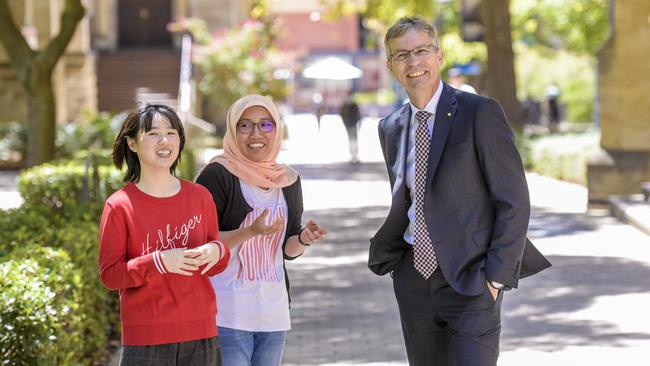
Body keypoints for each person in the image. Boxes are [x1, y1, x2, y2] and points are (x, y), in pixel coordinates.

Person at [368, 17, 551, 366]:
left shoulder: (478, 112)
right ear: (391, 66)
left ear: (438, 56)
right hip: (413, 280)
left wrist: (496, 278)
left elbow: (513, 201)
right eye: (402, 55)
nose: (413, 62)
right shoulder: (389, 128)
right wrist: (399, 270)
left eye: (421, 51)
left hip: (472, 279)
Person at [196, 94, 327, 366]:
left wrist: (303, 238)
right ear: (233, 130)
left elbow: (288, 250)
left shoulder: (288, 180)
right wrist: (250, 232)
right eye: (245, 125)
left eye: (266, 125)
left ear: (276, 129)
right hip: (227, 310)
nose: (256, 133)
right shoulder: (218, 175)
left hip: (274, 310)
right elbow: (201, 242)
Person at [98, 104, 231, 365]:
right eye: (152, 134)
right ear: (132, 144)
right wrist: (157, 262)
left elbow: (219, 262)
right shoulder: (119, 205)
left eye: (172, 133)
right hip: (146, 339)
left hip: (202, 332)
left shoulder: (200, 197)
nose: (164, 141)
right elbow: (110, 276)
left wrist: (217, 251)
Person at [340, 94, 362, 162]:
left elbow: (358, 114)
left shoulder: (353, 105)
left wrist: (357, 122)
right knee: (351, 139)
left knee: (354, 139)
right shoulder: (345, 106)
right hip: (348, 125)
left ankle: (355, 155)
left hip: (353, 124)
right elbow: (342, 114)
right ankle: (352, 155)